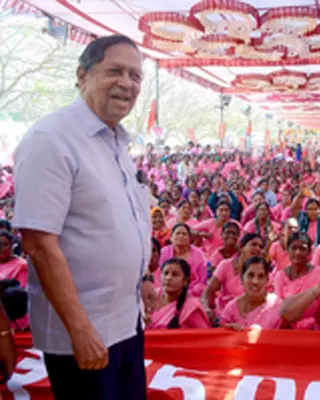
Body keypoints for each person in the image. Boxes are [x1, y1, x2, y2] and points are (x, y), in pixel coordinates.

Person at [13, 35, 149, 399]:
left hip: (127, 323)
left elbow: (124, 222)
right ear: (82, 75)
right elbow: (39, 244)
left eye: (135, 76)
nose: (127, 83)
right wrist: (80, 329)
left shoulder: (117, 142)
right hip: (84, 335)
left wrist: (144, 277)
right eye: (115, 71)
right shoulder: (51, 139)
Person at [220, 256, 283, 330]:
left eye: (261, 276)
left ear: (267, 280)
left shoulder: (277, 306)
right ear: (242, 278)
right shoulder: (231, 308)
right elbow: (221, 335)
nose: (255, 281)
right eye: (251, 275)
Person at [146, 258, 211, 329]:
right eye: (165, 273)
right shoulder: (151, 295)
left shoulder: (191, 307)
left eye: (175, 275)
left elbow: (205, 335)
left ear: (185, 281)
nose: (168, 278)